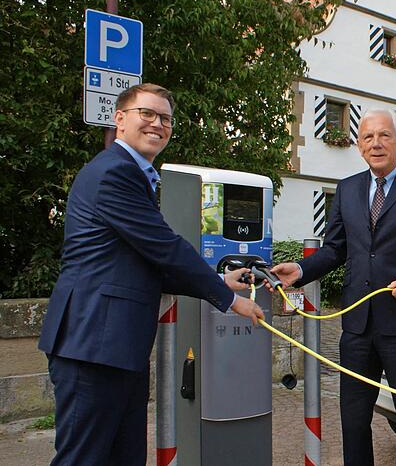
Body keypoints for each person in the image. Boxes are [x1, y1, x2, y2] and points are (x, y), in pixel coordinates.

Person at [38, 83, 265, 466]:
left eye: (165, 118)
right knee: (84, 458)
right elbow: (165, 247)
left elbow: (143, 263)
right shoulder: (115, 172)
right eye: (147, 114)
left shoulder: (135, 174)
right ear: (120, 118)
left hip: (118, 345)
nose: (157, 124)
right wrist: (228, 299)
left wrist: (219, 279)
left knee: (124, 457)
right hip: (92, 343)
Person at [270, 109, 396, 466]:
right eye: (368, 137)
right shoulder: (347, 189)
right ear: (358, 146)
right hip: (356, 326)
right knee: (354, 420)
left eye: (384, 136)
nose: (376, 144)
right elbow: (335, 249)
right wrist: (300, 269)